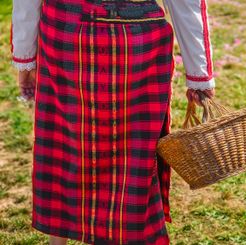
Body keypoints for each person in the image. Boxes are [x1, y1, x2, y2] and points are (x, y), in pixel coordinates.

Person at [10, 0, 216, 244]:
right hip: (135, 36)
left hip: (67, 33)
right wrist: (198, 75)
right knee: (131, 157)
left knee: (66, 148)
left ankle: (59, 237)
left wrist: (24, 56)